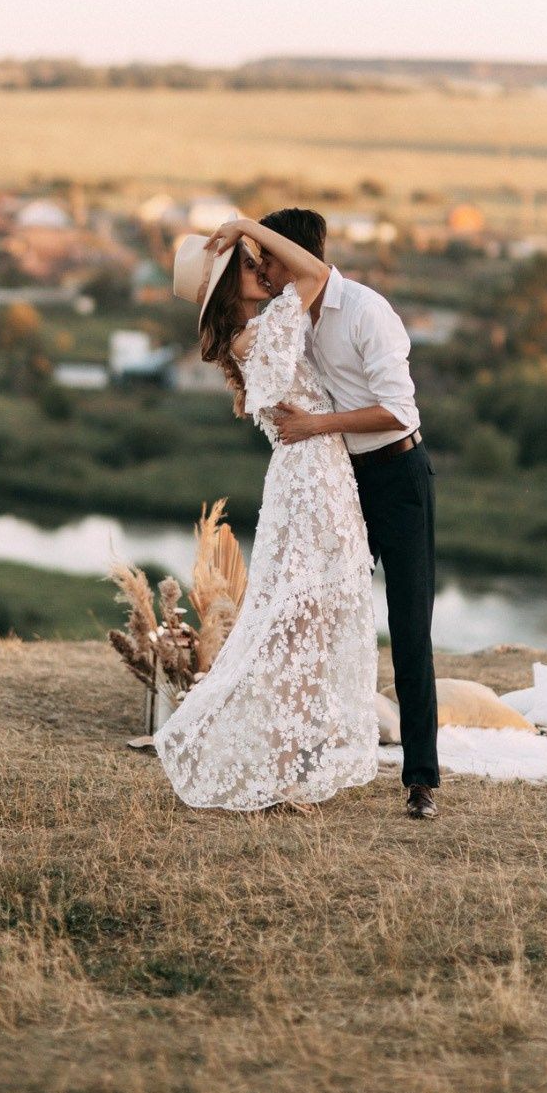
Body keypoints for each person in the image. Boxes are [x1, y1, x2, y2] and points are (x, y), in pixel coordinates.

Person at [154, 219, 378, 812]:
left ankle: (287, 771)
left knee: (310, 628)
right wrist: (247, 225)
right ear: (229, 286)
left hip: (315, 477)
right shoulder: (260, 333)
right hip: (309, 482)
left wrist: (246, 234)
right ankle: (280, 777)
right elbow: (318, 273)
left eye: (256, 258)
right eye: (247, 264)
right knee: (297, 633)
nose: (260, 268)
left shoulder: (256, 332)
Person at [255, 208, 439, 821]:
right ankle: (307, 763)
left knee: (409, 629)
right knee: (320, 619)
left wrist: (315, 425)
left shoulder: (366, 311)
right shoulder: (289, 318)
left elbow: (399, 410)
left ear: (297, 257)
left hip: (399, 476)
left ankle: (420, 783)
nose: (263, 270)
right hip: (340, 482)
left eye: (270, 259)